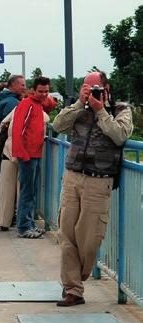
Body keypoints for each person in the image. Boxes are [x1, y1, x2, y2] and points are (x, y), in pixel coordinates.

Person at [52, 71, 132, 307]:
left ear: (107, 89)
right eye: (87, 88)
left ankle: (79, 277)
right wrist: (80, 103)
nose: (92, 93)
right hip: (72, 177)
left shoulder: (121, 110)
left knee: (89, 239)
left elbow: (119, 136)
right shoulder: (78, 109)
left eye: (96, 88)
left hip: (99, 181)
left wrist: (100, 110)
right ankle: (73, 289)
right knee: (66, 234)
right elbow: (58, 125)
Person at [0, 94, 56, 231]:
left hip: (9, 149)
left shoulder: (17, 108)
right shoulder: (42, 114)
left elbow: (3, 124)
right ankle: (23, 221)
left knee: (5, 188)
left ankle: (2, 221)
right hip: (26, 153)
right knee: (24, 190)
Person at [11, 76, 51, 239]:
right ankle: (24, 226)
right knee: (27, 191)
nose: (43, 94)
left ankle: (29, 224)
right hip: (28, 156)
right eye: (40, 91)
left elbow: (50, 104)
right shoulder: (27, 104)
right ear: (33, 90)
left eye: (46, 91)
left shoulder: (37, 104)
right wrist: (23, 153)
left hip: (34, 154)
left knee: (31, 191)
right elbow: (18, 130)